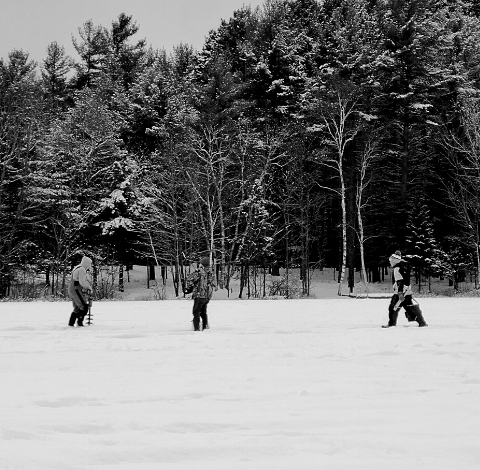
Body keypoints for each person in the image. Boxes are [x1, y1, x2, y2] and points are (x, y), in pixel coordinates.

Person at [382, 251, 428, 328]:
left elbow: (400, 281)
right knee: (409, 308)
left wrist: (400, 293)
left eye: (391, 261)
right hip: (406, 292)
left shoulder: (397, 269)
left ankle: (391, 324)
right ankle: (421, 322)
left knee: (393, 307)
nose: (390, 262)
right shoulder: (403, 267)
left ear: (394, 261)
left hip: (401, 293)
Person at [186, 256, 216, 331]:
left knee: (196, 312)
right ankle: (205, 327)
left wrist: (190, 287)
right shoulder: (211, 273)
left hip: (199, 295)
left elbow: (189, 279)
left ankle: (196, 328)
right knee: (203, 313)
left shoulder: (199, 272)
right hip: (207, 296)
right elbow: (214, 284)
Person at [68, 256, 93, 327]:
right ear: (86, 263)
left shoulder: (76, 268)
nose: (89, 266)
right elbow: (82, 282)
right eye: (89, 264)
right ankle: (80, 323)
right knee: (84, 307)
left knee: (77, 308)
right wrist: (88, 287)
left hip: (72, 289)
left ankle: (71, 324)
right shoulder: (82, 269)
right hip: (76, 290)